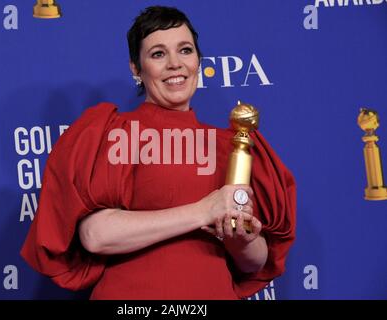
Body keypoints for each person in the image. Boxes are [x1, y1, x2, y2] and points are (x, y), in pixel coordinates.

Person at [20, 5, 296, 300]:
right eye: (158, 54)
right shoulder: (114, 134)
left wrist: (243, 240)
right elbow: (95, 236)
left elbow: (253, 263)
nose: (175, 64)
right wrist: (204, 210)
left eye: (185, 50)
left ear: (199, 61)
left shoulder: (230, 146)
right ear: (136, 69)